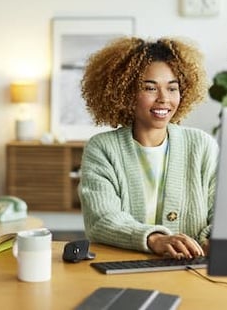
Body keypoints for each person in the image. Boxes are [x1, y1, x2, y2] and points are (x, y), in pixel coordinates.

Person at [78, 37, 218, 259]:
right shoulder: (102, 149)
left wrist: (214, 241)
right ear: (125, 92)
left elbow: (220, 214)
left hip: (193, 270)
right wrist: (155, 239)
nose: (164, 99)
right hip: (124, 267)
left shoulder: (202, 145)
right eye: (150, 88)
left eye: (172, 89)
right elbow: (101, 219)